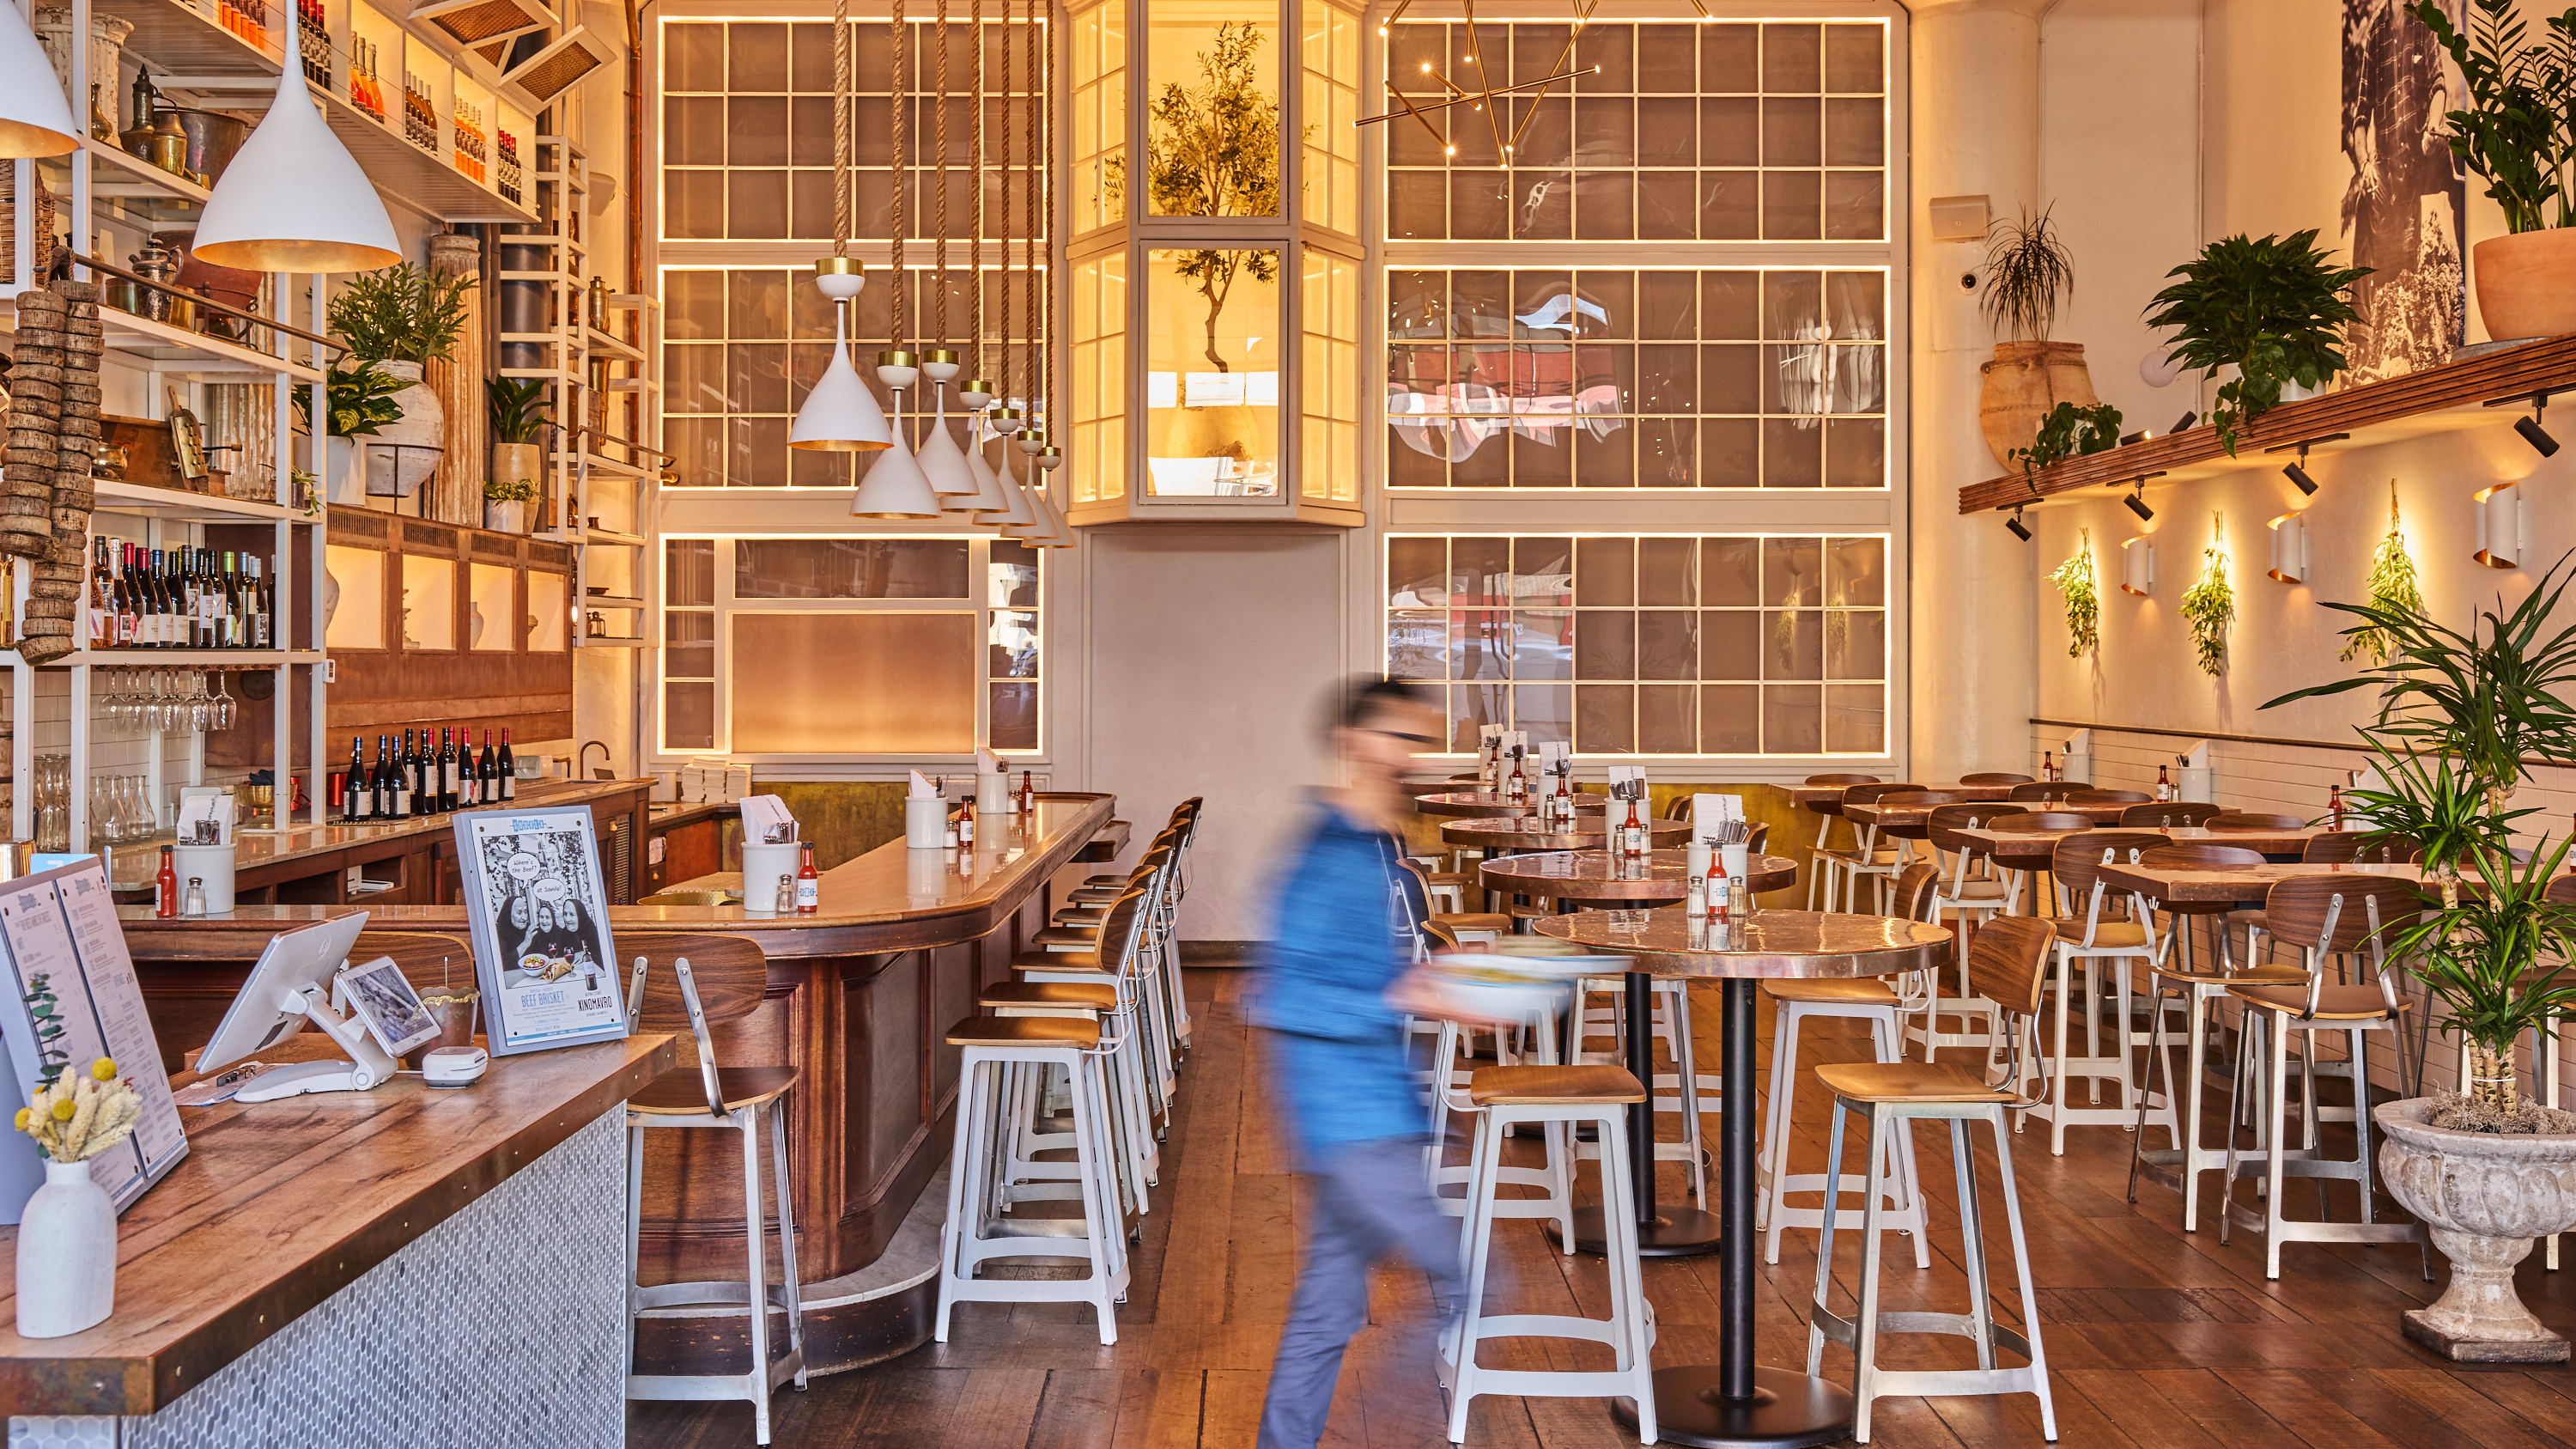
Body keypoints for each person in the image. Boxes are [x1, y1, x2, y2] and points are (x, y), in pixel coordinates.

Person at [1249, 677, 1487, 1449]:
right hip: (1350, 1122)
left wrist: (1420, 987)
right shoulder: (1327, 856)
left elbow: (1361, 978)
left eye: (1422, 740)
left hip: (1368, 1113)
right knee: (1478, 1283)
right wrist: (1410, 993)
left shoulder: (1374, 845)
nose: (1416, 756)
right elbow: (1286, 994)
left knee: (1326, 1311)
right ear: (1356, 741)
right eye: (1403, 738)